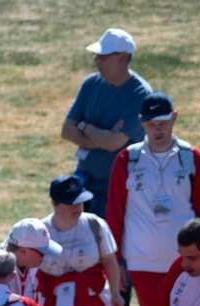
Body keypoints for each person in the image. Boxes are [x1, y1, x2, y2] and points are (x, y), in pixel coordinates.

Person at [105, 93, 200, 306]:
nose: (158, 129)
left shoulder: (191, 158)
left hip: (186, 259)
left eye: (163, 122)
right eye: (152, 123)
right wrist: (116, 262)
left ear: (174, 118)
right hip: (142, 261)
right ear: (141, 121)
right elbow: (115, 215)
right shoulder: (127, 160)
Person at [62, 29, 151, 216]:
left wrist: (84, 126)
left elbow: (113, 143)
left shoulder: (140, 94)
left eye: (103, 56)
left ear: (122, 57)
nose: (96, 60)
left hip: (118, 186)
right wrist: (100, 138)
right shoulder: (91, 84)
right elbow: (66, 130)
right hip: (83, 181)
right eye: (96, 55)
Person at [41, 174, 128, 306]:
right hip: (53, 302)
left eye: (80, 201)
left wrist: (115, 293)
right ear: (54, 202)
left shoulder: (95, 224)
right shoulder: (40, 231)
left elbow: (109, 260)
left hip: (92, 299)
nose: (77, 207)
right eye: (70, 202)